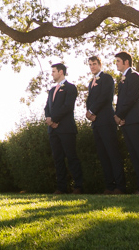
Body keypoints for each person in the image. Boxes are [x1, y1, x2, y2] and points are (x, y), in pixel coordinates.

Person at [113, 51, 139, 195]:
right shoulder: (122, 79)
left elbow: (131, 98)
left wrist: (119, 115)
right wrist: (118, 117)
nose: (116, 64)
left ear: (126, 62)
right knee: (134, 155)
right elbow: (120, 101)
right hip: (125, 122)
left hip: (135, 120)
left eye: (118, 61)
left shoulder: (134, 76)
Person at [85, 55, 125, 194]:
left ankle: (120, 186)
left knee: (112, 153)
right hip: (96, 123)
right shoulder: (91, 82)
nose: (92, 67)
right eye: (90, 64)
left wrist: (92, 110)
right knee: (103, 155)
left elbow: (105, 97)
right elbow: (89, 100)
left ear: (100, 64)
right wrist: (88, 113)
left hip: (107, 121)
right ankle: (109, 186)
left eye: (94, 64)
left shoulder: (107, 78)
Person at [44, 62, 83, 195]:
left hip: (66, 129)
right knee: (57, 159)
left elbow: (67, 107)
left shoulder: (71, 88)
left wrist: (54, 119)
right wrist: (49, 120)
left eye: (54, 71)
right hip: (53, 130)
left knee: (71, 157)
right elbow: (46, 108)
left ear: (61, 72)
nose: (52, 74)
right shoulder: (51, 90)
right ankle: (61, 188)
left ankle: (78, 187)